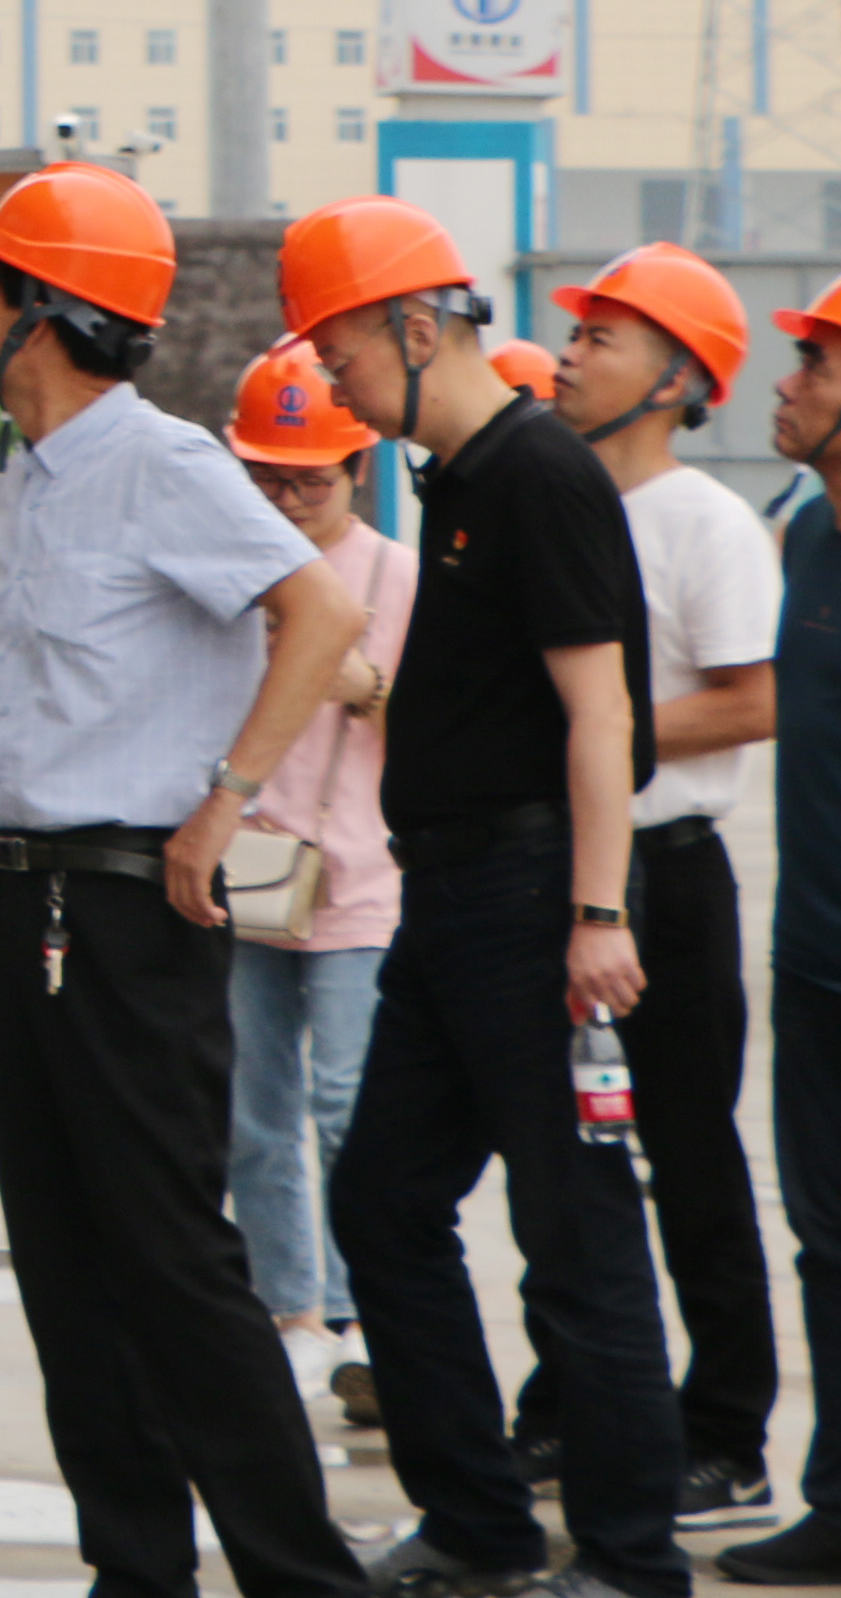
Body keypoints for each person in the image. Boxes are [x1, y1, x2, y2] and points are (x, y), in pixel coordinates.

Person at [0, 163, 370, 1598]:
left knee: (173, 1265)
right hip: (20, 896)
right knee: (65, 1267)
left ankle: (300, 1578)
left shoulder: (162, 462)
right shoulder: (36, 474)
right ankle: (134, 1570)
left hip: (127, 908)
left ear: (37, 311)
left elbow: (322, 611)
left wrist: (224, 803)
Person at [292, 193, 681, 1598]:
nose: (331, 385)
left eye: (340, 353)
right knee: (384, 1202)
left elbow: (602, 713)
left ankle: (631, 1559)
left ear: (414, 327)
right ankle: (475, 1523)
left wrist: (598, 913)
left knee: (577, 1235)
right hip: (447, 897)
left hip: (530, 900)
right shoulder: (455, 478)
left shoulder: (538, 475)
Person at [512, 245, 783, 1524]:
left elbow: (753, 700)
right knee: (564, 1162)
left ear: (675, 382)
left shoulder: (706, 524)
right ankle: (566, 1406)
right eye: (575, 335)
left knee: (689, 1158)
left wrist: (594, 734)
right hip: (561, 869)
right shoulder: (556, 499)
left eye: (601, 339)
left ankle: (726, 1434)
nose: (569, 356)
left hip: (667, 880)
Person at [217, 340, 414, 1409]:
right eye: (269, 478)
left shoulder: (399, 577)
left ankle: (366, 1311)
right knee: (253, 1106)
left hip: (361, 878)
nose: (289, 499)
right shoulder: (230, 570)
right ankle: (289, 1308)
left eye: (311, 479)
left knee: (348, 1101)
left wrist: (363, 683)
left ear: (357, 468)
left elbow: (446, 724)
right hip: (250, 870)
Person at [731, 260, 841, 1588]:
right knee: (838, 1249)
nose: (786, 386)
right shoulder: (809, 541)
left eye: (818, 367)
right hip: (821, 964)